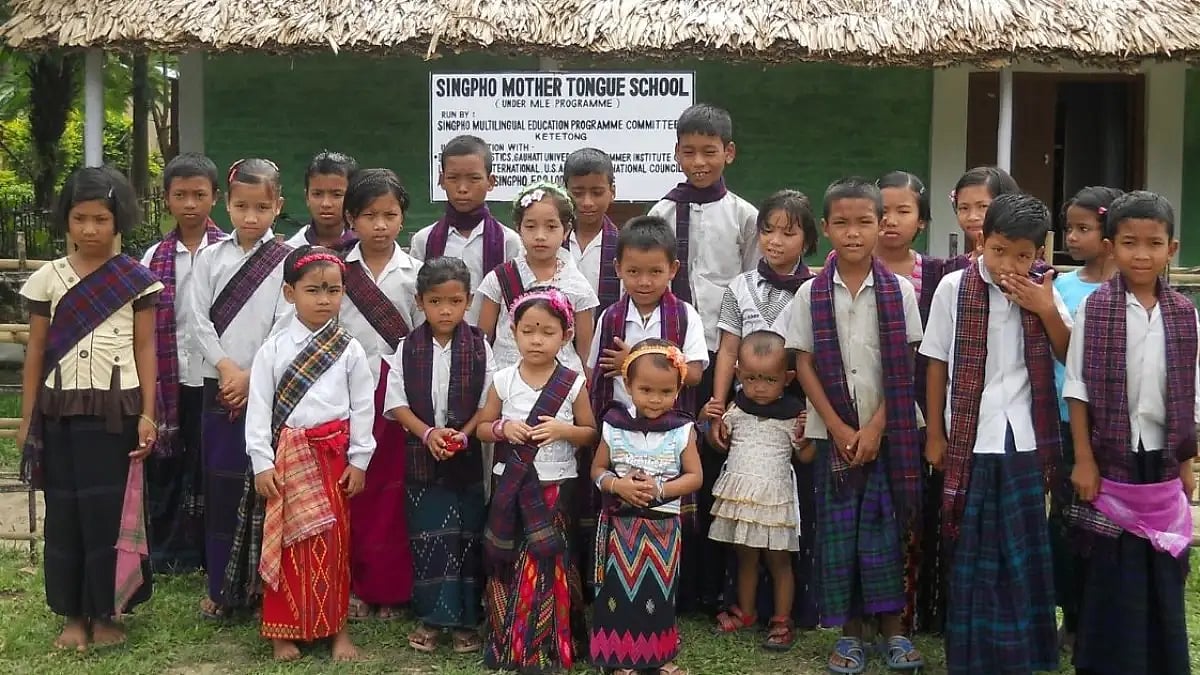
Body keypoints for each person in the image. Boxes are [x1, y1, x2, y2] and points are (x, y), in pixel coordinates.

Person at [921, 193, 1071, 675]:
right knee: (973, 546)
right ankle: (971, 654)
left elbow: (1070, 353)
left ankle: (1021, 652)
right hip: (970, 440)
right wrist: (935, 434)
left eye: (1023, 255)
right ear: (982, 239)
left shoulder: (1045, 288)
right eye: (1000, 249)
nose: (1009, 263)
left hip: (1026, 439)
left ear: (1039, 253)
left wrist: (1045, 308)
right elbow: (936, 360)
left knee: (1022, 548)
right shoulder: (952, 287)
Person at [18, 166, 163, 650]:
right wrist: (26, 420)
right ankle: (72, 615)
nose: (89, 230)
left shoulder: (137, 281)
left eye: (100, 219)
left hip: (115, 416)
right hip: (58, 415)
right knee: (65, 514)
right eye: (80, 219)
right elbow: (35, 352)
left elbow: (146, 350)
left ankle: (107, 612)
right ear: (66, 220)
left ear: (118, 220)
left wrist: (148, 414)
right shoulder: (48, 279)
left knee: (109, 515)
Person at [789, 178, 926, 673]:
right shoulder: (810, 294)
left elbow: (905, 365)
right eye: (842, 224)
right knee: (839, 535)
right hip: (834, 438)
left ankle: (893, 629)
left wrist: (873, 429)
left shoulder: (900, 292)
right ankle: (848, 632)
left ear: (880, 226)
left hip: (889, 434)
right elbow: (802, 363)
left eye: (864, 222)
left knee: (887, 532)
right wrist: (839, 428)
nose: (853, 233)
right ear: (825, 229)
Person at [1064, 191, 1196, 675]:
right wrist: (1083, 459)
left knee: (1162, 564)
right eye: (1129, 242)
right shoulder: (1095, 311)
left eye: (1154, 243)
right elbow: (1076, 390)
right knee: (1110, 567)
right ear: (1110, 246)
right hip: (1109, 457)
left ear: (1171, 249)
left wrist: (1185, 463)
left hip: (1161, 459)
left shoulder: (1185, 316)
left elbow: (1191, 395)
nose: (1142, 254)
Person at [648, 102, 761, 608]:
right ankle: (669, 579)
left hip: (721, 354)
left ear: (729, 153)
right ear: (675, 153)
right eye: (688, 152)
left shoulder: (744, 216)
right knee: (668, 454)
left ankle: (712, 585)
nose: (698, 161)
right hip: (667, 354)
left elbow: (754, 286)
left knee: (713, 460)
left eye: (709, 152)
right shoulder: (661, 212)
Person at [240, 246, 374, 661]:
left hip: (333, 459)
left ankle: (336, 631)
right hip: (287, 460)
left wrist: (359, 460)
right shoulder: (274, 349)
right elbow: (258, 409)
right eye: (313, 290)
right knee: (286, 547)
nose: (323, 300)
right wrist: (261, 462)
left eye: (333, 291)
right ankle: (283, 633)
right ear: (289, 292)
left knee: (334, 547)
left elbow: (363, 406)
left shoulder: (349, 349)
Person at [703, 189, 819, 630]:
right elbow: (727, 347)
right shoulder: (741, 286)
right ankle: (742, 604)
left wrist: (812, 414)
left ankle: (789, 612)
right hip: (745, 408)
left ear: (807, 239)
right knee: (742, 515)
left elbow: (816, 357)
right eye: (767, 230)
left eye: (788, 233)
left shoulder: (814, 289)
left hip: (794, 412)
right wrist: (718, 405)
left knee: (789, 518)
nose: (775, 241)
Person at [189, 158, 292, 618]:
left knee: (265, 488)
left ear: (278, 207)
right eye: (242, 206)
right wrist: (228, 369)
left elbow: (286, 324)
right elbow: (197, 321)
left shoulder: (288, 261)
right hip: (220, 386)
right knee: (223, 486)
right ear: (226, 205)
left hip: (267, 389)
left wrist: (253, 376)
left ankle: (259, 586)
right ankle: (220, 587)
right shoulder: (211, 257)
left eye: (262, 207)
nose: (251, 217)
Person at [477, 287, 597, 673]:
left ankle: (550, 645)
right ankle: (510, 642)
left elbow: (591, 433)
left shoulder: (573, 382)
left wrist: (564, 430)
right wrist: (503, 428)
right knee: (512, 561)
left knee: (549, 562)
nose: (536, 339)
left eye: (547, 332)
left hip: (555, 486)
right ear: (514, 332)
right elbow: (481, 428)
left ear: (565, 335)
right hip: (511, 487)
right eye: (528, 330)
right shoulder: (503, 379)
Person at [586, 216, 708, 581]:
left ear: (673, 269)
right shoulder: (610, 317)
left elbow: (697, 372)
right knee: (622, 502)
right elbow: (595, 372)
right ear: (617, 268)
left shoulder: (684, 315)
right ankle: (617, 581)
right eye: (633, 271)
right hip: (621, 428)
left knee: (666, 511)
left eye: (655, 271)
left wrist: (634, 360)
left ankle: (669, 587)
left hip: (669, 429)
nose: (644, 281)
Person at [385, 257, 495, 654]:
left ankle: (467, 621)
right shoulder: (407, 347)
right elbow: (396, 403)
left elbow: (488, 403)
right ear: (420, 302)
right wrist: (429, 433)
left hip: (467, 458)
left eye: (454, 301)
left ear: (467, 301)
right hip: (421, 456)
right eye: (435, 301)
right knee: (430, 540)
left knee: (467, 538)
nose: (445, 310)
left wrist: (462, 436)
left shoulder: (480, 344)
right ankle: (432, 620)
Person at [590, 338, 703, 675]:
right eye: (646, 389)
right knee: (618, 590)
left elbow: (695, 477)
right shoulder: (613, 425)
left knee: (658, 590)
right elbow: (597, 469)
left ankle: (658, 655)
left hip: (663, 527)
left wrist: (660, 489)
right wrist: (616, 485)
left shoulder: (681, 430)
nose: (656, 399)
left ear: (678, 389)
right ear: (628, 386)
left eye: (666, 392)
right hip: (619, 526)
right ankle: (618, 658)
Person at [339, 168, 422, 619]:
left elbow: (422, 337)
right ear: (352, 219)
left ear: (402, 219)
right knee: (355, 490)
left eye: (390, 215)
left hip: (396, 399)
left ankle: (390, 589)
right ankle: (352, 585)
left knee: (392, 493)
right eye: (369, 215)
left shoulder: (415, 274)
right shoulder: (336, 271)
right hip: (347, 396)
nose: (380, 225)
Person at [141, 152, 225, 574]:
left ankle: (211, 550)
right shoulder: (153, 258)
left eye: (199, 194)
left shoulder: (229, 254)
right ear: (167, 199)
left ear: (216, 198)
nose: (190, 203)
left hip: (215, 377)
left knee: (210, 463)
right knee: (168, 464)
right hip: (169, 380)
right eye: (180, 195)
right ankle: (169, 551)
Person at [1050, 185, 1122, 650]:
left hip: (1115, 427)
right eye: (1068, 228)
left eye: (1084, 228)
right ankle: (1071, 617)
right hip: (1062, 419)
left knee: (1111, 527)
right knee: (1067, 523)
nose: (1073, 238)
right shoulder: (1060, 286)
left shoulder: (1127, 290)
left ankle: (1105, 620)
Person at [707, 332, 811, 651]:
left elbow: (805, 458)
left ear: (788, 378)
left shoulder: (794, 414)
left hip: (775, 498)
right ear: (738, 374)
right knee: (745, 556)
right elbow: (718, 445)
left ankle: (781, 619)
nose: (759, 387)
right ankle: (747, 611)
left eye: (769, 379)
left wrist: (808, 435)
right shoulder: (737, 408)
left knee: (779, 560)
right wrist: (712, 423)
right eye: (751, 378)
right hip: (741, 496)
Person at [873, 170, 937, 634]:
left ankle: (904, 614)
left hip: (913, 412)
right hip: (852, 410)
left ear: (922, 221)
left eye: (903, 211)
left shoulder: (933, 274)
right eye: (882, 212)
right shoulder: (840, 264)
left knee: (906, 512)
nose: (889, 221)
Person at [476, 181, 598, 373]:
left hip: (561, 385)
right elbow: (481, 341)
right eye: (531, 226)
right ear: (519, 228)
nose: (540, 236)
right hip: (507, 381)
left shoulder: (577, 286)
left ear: (566, 231)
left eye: (551, 227)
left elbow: (586, 352)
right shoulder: (499, 279)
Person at [409, 134, 522, 323]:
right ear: (442, 180)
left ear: (491, 182)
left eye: (473, 178)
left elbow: (514, 304)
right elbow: (417, 303)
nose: (462, 188)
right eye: (453, 178)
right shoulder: (424, 240)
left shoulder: (508, 242)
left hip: (490, 347)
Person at [563, 148, 622, 317]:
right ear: (564, 191)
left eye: (597, 193)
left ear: (612, 192)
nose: (587, 202)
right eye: (578, 193)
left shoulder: (623, 247)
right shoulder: (551, 242)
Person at [285, 151, 359, 251]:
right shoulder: (290, 250)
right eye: (317, 194)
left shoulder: (366, 248)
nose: (326, 204)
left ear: (353, 197)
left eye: (337, 195)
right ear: (307, 197)